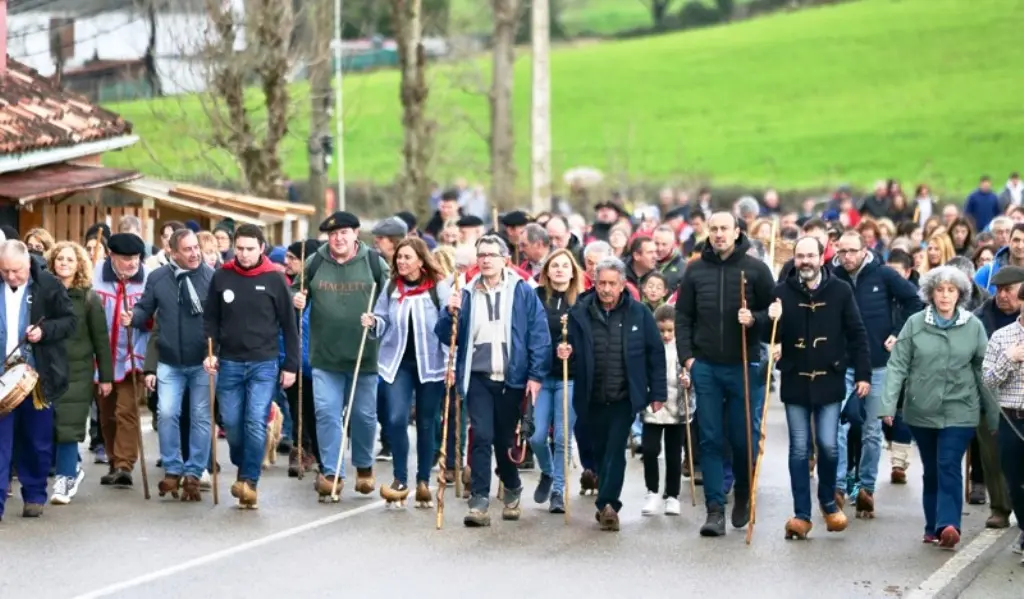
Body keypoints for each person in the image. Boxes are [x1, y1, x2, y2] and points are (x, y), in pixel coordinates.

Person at [435, 234, 550, 527]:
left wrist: (536, 375)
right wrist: (450, 313)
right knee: (482, 435)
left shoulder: (523, 291)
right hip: (478, 376)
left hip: (512, 377)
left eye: (491, 254)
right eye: (481, 254)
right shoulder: (466, 290)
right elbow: (445, 334)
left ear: (504, 260)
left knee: (504, 439)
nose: (485, 259)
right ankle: (479, 501)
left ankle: (512, 487)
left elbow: (538, 334)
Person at [883, 266, 998, 549]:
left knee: (948, 463)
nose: (945, 295)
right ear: (930, 293)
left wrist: (994, 416)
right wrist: (887, 404)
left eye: (951, 290)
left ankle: (949, 525)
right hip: (921, 409)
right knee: (932, 469)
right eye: (940, 289)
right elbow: (898, 365)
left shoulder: (973, 326)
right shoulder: (914, 323)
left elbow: (984, 371)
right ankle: (931, 526)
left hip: (961, 409)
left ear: (960, 294)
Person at [675, 212, 774, 537]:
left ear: (736, 232)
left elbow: (775, 318)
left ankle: (744, 491)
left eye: (724, 229)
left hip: (744, 365)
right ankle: (714, 509)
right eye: (714, 229)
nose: (718, 234)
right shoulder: (694, 270)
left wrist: (755, 319)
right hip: (705, 367)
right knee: (710, 440)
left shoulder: (756, 270)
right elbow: (683, 317)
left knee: (742, 438)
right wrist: (688, 359)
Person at [771, 236, 871, 539]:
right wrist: (768, 320)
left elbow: (857, 333)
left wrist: (863, 374)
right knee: (800, 448)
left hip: (829, 378)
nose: (805, 261)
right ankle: (801, 513)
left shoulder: (840, 290)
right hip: (795, 380)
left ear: (822, 258)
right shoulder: (781, 292)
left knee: (828, 445)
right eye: (800, 256)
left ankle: (828, 502)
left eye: (810, 255)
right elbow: (769, 333)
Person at [293, 212, 390, 501]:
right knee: (326, 413)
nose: (338, 238)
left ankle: (363, 466)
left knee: (363, 415)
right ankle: (332, 473)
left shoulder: (374, 262)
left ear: (356, 234)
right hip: (325, 356)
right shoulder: (315, 262)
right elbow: (297, 292)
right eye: (333, 234)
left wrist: (377, 319)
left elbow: (390, 300)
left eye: (344, 233)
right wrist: (297, 299)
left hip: (365, 355)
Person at [566, 257, 666, 530]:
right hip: (591, 395)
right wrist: (565, 353)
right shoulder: (580, 312)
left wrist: (657, 392)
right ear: (594, 283)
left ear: (623, 285)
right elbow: (569, 350)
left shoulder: (639, 313)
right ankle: (604, 493)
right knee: (599, 450)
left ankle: (609, 504)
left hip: (624, 396)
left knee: (615, 450)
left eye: (612, 283)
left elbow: (655, 353)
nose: (606, 289)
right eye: (602, 283)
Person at [204, 224, 299, 509]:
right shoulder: (222, 276)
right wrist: (209, 351)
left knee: (255, 421)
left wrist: (290, 364)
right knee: (232, 424)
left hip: (264, 363)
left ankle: (249, 481)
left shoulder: (275, 278)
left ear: (262, 248)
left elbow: (288, 325)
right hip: (229, 363)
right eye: (240, 248)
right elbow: (211, 319)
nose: (244, 254)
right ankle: (243, 462)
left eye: (250, 249)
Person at [832, 230, 923, 517]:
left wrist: (898, 333)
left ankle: (866, 489)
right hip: (842, 363)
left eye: (851, 251)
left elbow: (915, 303)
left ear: (864, 250)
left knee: (872, 430)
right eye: (841, 251)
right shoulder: (832, 276)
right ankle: (838, 486)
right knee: (838, 427)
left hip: (877, 364)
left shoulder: (883, 275)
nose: (846, 257)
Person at [124, 228, 215, 502]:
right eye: (187, 249)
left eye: (196, 247)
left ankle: (195, 474)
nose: (194, 253)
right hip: (170, 361)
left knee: (200, 417)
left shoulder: (211, 278)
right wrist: (134, 316)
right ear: (172, 253)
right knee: (166, 413)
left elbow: (222, 320)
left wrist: (216, 352)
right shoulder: (158, 278)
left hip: (202, 361)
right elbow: (146, 310)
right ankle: (173, 469)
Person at [362, 237, 449, 508]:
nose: (401, 262)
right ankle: (401, 479)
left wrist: (455, 310)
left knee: (426, 421)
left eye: (407, 257)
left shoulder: (438, 287)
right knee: (397, 418)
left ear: (421, 261)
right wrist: (374, 321)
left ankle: (423, 481)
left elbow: (450, 322)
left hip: (431, 363)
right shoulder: (391, 287)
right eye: (399, 257)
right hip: (397, 362)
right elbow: (383, 318)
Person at [0, 240, 76, 520]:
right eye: (5, 271)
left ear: (28, 264)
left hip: (36, 378)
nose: (10, 277)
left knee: (36, 440)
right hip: (1, 376)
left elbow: (70, 322)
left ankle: (33, 494)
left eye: (16, 271)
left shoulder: (48, 284)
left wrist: (44, 331)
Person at [47, 242, 113, 504]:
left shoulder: (88, 298)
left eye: (70, 260)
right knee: (46, 428)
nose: (64, 263)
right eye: (59, 258)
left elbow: (100, 340)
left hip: (77, 372)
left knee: (68, 426)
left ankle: (64, 479)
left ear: (79, 265)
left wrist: (105, 377)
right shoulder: (43, 292)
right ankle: (69, 470)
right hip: (46, 371)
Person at [529, 248, 584, 514]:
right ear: (547, 271)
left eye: (565, 265)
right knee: (537, 436)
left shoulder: (582, 301)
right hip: (541, 376)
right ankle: (548, 472)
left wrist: (573, 349)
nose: (560, 269)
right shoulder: (536, 297)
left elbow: (589, 338)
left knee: (563, 437)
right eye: (554, 266)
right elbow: (529, 333)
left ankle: (559, 491)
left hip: (569, 377)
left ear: (573, 271)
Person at [93, 233, 151, 487]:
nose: (132, 263)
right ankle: (114, 459)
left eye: (136, 258)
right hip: (102, 356)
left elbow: (155, 316)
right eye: (126, 259)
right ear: (111, 256)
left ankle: (124, 465)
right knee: (107, 415)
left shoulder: (149, 278)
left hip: (132, 354)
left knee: (126, 411)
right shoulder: (95, 276)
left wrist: (139, 317)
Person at [640, 303, 687, 517]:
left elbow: (691, 370)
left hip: (677, 405)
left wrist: (689, 380)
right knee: (649, 449)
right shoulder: (648, 347)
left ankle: (673, 495)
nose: (666, 335)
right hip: (653, 406)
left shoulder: (684, 348)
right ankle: (652, 491)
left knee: (673, 453)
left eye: (670, 330)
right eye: (662, 331)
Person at [282, 239, 320, 477]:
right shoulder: (284, 286)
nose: (287, 263)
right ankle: (300, 448)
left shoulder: (318, 287)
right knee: (296, 405)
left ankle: (316, 449)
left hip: (315, 359)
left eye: (293, 258)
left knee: (314, 408)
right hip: (290, 356)